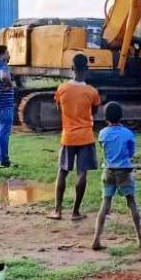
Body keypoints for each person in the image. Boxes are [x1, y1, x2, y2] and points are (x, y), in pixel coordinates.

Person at [48, 53, 101, 221]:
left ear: (72, 68)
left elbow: (58, 108)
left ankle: (57, 211)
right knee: (82, 173)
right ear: (87, 69)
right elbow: (94, 112)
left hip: (68, 137)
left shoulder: (62, 89)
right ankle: (75, 212)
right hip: (86, 136)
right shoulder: (92, 92)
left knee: (62, 172)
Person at [92, 102, 141, 250]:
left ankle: (96, 239)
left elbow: (103, 148)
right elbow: (131, 152)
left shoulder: (102, 133)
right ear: (121, 116)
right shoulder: (128, 133)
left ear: (105, 117)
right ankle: (140, 238)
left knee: (105, 204)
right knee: (131, 203)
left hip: (108, 171)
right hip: (124, 171)